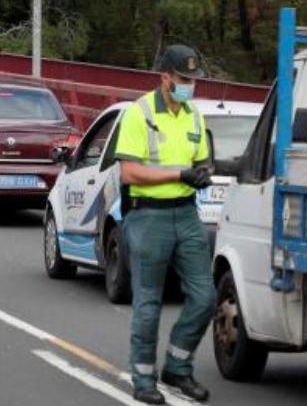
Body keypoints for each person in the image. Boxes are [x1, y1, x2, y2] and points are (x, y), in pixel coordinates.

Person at [113, 45, 216, 404]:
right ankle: (143, 379)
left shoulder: (194, 116)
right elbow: (128, 172)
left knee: (205, 296)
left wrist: (203, 174)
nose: (190, 85)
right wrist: (180, 173)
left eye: (194, 80)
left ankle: (178, 367)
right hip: (148, 215)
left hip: (186, 214)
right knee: (149, 302)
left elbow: (201, 161)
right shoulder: (138, 114)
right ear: (165, 78)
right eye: (184, 79)